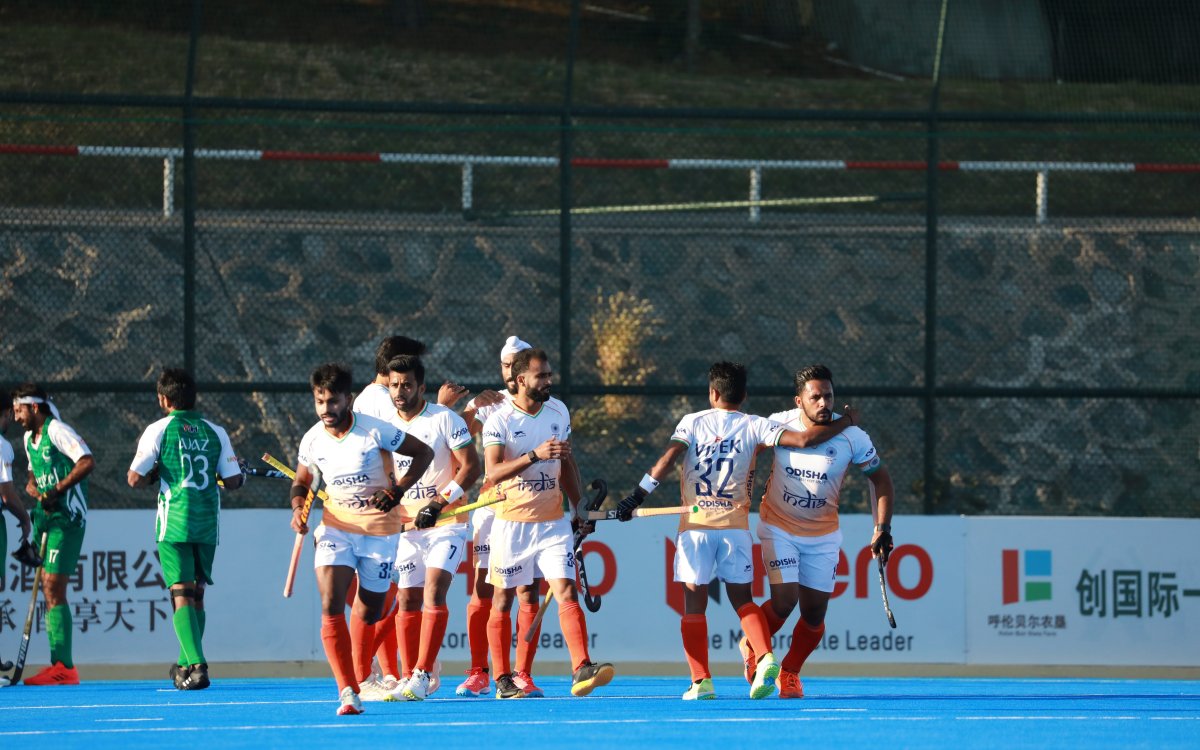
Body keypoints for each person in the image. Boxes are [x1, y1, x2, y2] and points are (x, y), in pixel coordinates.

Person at [615, 362, 855, 701]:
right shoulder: (756, 425)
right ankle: (765, 655)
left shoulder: (692, 422)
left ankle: (701, 682)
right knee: (744, 602)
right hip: (735, 529)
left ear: (713, 393)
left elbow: (668, 460)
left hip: (695, 529)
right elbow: (802, 439)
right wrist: (845, 422)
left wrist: (637, 496)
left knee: (693, 606)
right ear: (744, 395)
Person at [737, 364, 894, 699]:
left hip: (822, 535)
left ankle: (790, 673)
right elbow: (745, 450)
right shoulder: (780, 423)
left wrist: (882, 527)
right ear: (799, 401)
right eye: (816, 397)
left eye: (829, 396)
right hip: (778, 526)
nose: (824, 402)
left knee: (814, 613)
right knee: (785, 601)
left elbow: (880, 480)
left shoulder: (854, 437)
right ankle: (755, 646)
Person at [289, 363, 434, 716]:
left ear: (348, 400)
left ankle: (359, 670)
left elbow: (424, 453)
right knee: (330, 604)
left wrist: (398, 490)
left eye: (333, 401)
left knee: (369, 612)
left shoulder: (376, 431)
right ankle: (347, 690)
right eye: (320, 401)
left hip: (379, 533)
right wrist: (297, 506)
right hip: (336, 529)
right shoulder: (312, 439)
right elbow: (303, 479)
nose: (326, 409)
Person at [481, 347, 613, 699]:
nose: (549, 381)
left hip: (552, 522)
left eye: (550, 374)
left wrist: (578, 506)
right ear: (521, 379)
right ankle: (503, 678)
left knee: (567, 591)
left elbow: (566, 463)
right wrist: (534, 455)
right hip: (512, 523)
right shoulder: (500, 420)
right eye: (542, 376)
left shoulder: (558, 410)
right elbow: (493, 472)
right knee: (504, 600)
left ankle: (581, 667)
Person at [127, 368, 245, 690]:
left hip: (174, 521)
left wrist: (156, 471)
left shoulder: (159, 429)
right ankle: (183, 665)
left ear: (164, 399)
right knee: (196, 597)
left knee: (180, 596)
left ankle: (198, 665)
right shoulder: (215, 431)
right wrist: (241, 472)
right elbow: (233, 481)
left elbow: (134, 478)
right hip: (207, 522)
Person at [377, 355, 481, 701]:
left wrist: (438, 502)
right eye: (394, 385)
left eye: (407, 384)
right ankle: (407, 674)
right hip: (406, 527)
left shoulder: (445, 419)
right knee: (407, 598)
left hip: (446, 523)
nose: (399, 391)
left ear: (421, 387)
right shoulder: (383, 425)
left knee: (435, 592)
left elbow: (470, 467)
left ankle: (422, 674)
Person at [455, 335, 551, 699]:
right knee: (482, 589)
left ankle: (523, 673)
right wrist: (466, 410)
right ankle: (480, 671)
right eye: (505, 364)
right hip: (493, 508)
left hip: (532, 508)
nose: (510, 370)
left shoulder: (545, 403)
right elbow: (453, 440)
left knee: (529, 591)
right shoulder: (489, 403)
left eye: (516, 363)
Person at [12, 383, 95, 686]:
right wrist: (34, 489)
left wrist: (57, 491)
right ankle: (59, 664)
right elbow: (34, 476)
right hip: (45, 517)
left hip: (68, 517)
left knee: (53, 586)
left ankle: (63, 667)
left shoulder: (57, 430)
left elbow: (86, 460)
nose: (15, 415)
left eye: (19, 409)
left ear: (34, 407)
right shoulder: (26, 438)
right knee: (48, 587)